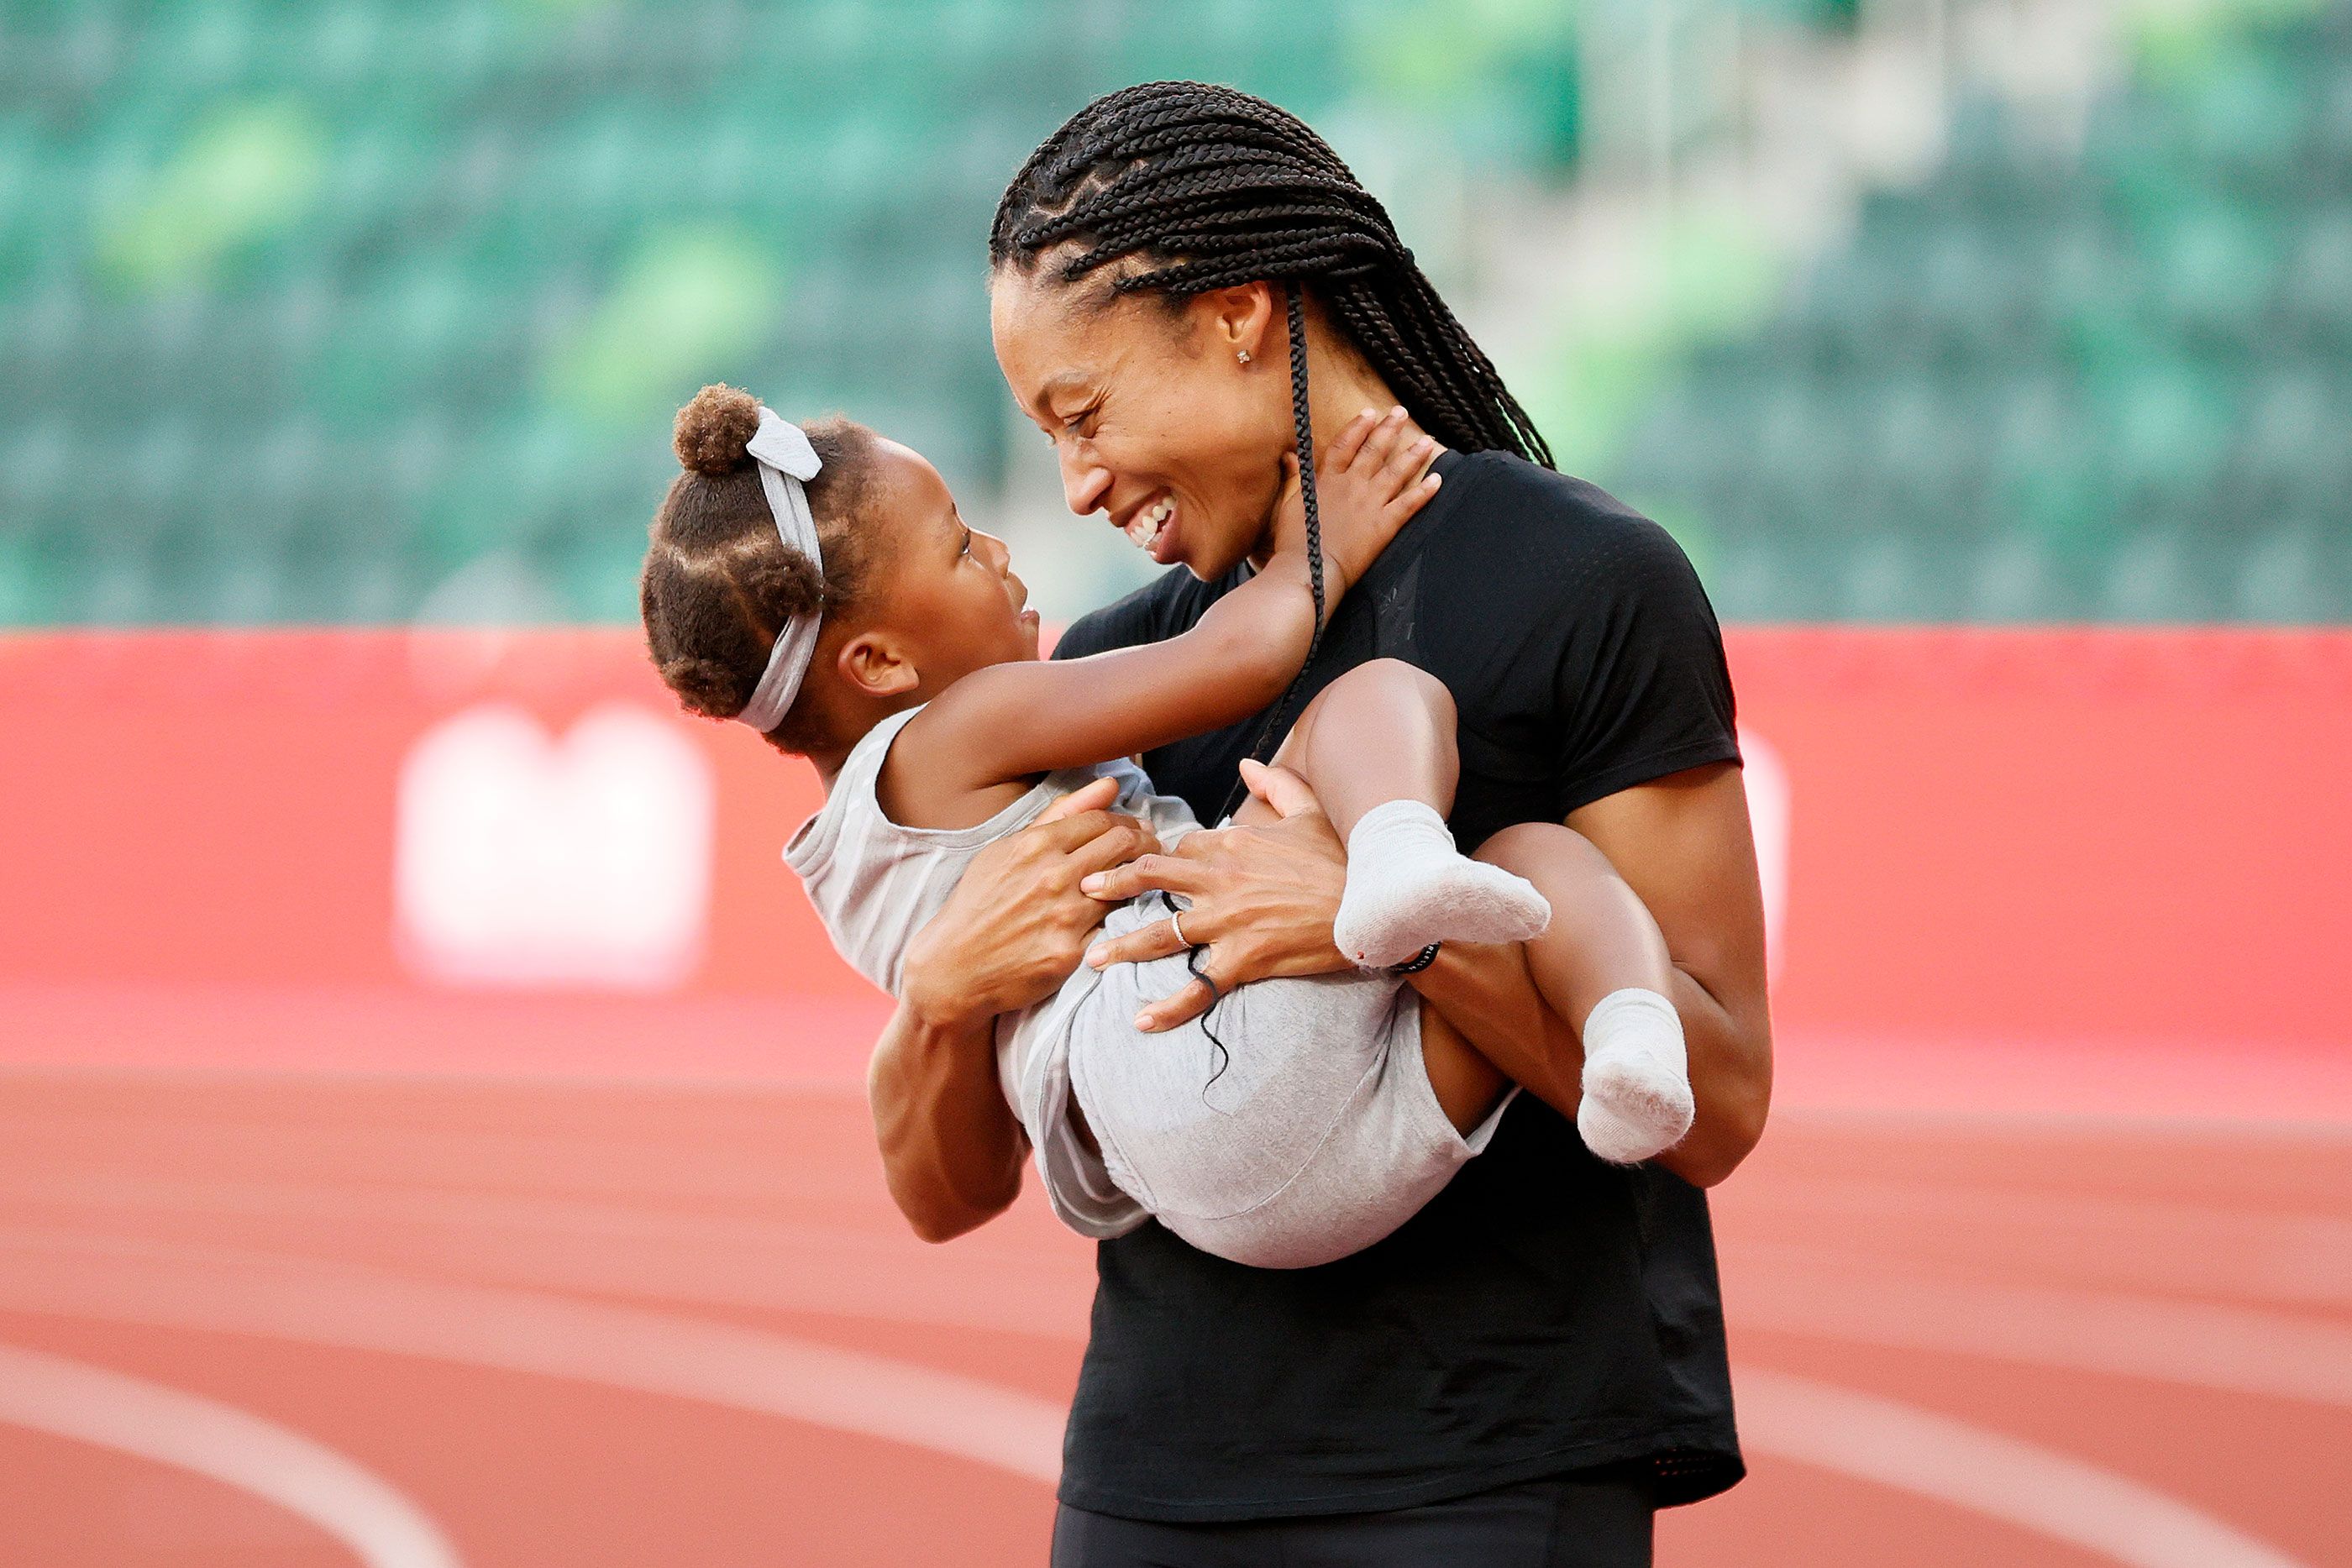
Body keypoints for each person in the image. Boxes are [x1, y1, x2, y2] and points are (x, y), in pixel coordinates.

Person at [871, 83, 1773, 1565]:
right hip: (1151, 1480)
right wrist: (939, 993)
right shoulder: (1106, 668)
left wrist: (1386, 925)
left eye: (1082, 413)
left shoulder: (1593, 583)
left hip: (1489, 1479)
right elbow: (947, 1192)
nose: (1076, 483)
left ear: (1235, 315)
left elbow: (1718, 1099)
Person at [639, 382, 1696, 1270]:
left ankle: (1624, 1058)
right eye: (963, 544)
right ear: (878, 666)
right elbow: (1233, 660)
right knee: (1392, 709)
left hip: (1217, 1195)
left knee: (1520, 881)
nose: (1003, 548)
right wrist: (1321, 546)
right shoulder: (964, 726)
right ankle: (1423, 876)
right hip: (1185, 1032)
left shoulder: (840, 861)